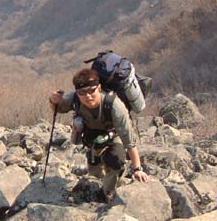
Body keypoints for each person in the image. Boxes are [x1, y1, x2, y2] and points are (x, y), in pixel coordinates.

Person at [49, 68, 149, 201]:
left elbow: (129, 141)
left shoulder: (115, 106)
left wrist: (137, 169)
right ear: (77, 92)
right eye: (82, 92)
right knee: (94, 173)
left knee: (115, 160)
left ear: (99, 88)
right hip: (92, 138)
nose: (87, 96)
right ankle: (95, 189)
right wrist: (53, 101)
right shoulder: (75, 98)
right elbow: (58, 108)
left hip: (114, 134)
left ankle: (107, 194)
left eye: (92, 90)